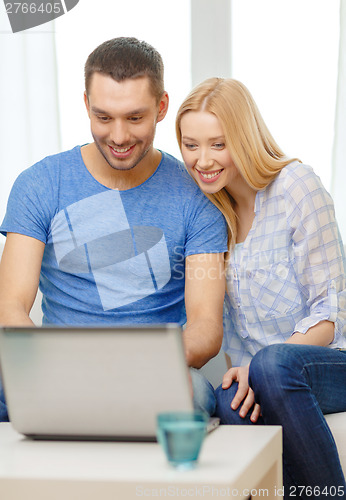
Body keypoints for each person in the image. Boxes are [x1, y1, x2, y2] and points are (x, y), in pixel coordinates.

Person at [0, 38, 228, 422]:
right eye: (104, 117)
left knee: (194, 396)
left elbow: (206, 328)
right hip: (57, 373)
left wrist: (132, 369)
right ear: (86, 105)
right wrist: (56, 370)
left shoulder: (196, 196)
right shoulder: (41, 183)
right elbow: (10, 306)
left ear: (161, 107)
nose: (119, 136)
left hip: (156, 375)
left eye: (135, 118)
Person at [176, 77, 346, 498]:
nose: (202, 160)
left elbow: (332, 309)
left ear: (245, 137)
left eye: (218, 144)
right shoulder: (212, 216)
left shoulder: (296, 186)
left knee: (273, 365)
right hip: (269, 375)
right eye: (190, 145)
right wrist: (248, 371)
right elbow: (237, 336)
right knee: (228, 401)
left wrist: (264, 364)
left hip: (328, 362)